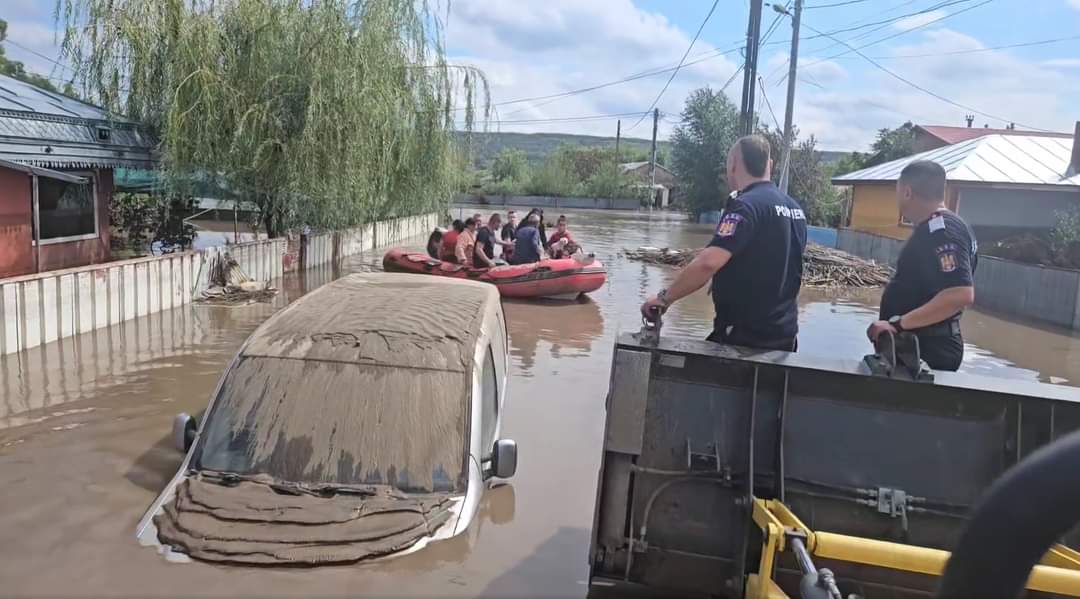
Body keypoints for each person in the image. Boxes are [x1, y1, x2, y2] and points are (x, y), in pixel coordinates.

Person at [639, 134, 807, 352]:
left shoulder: (746, 207)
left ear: (733, 164)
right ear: (770, 165)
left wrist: (664, 299)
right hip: (785, 338)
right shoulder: (795, 209)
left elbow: (708, 263)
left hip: (743, 338)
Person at [866, 160, 977, 371]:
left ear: (907, 192)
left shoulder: (942, 231)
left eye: (897, 191)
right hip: (918, 345)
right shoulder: (942, 227)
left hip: (927, 349)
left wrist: (897, 324)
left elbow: (960, 294)